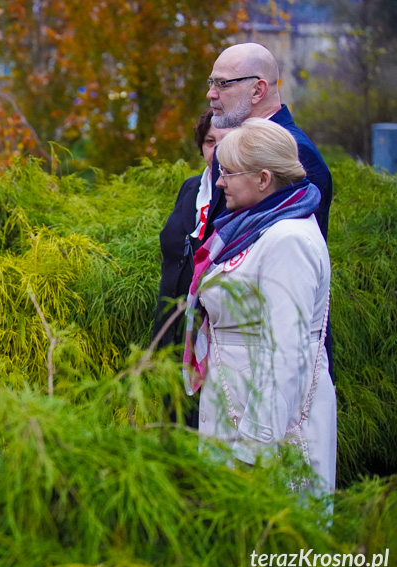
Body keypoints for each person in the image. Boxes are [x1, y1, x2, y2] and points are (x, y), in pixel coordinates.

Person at [183, 119, 336, 492]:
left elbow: (286, 350)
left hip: (265, 429)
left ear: (264, 179)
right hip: (235, 404)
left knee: (272, 541)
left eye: (229, 173)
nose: (219, 183)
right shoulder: (250, 227)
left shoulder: (288, 240)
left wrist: (253, 448)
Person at [204, 41, 335, 382]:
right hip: (230, 346)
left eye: (222, 83)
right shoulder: (234, 149)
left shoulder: (295, 154)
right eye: (211, 83)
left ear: (258, 88)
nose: (211, 94)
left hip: (271, 358)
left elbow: (295, 266)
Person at [153, 109, 231, 349]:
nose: (217, 150)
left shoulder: (239, 196)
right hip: (168, 324)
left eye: (227, 142)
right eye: (210, 141)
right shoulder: (191, 187)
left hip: (210, 333)